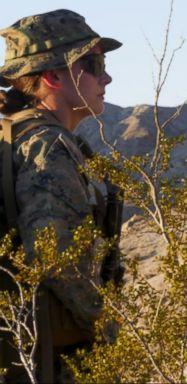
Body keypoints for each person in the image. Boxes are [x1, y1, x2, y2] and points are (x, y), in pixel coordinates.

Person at [0, 9, 122, 382]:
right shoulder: (46, 146)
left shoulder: (15, 134)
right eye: (93, 63)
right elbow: (58, 259)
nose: (107, 76)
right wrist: (113, 333)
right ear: (52, 76)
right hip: (51, 361)